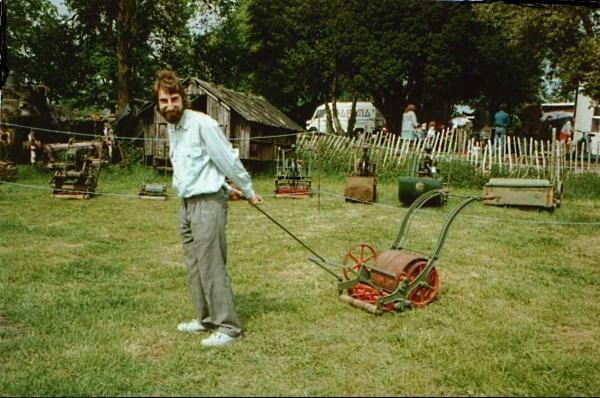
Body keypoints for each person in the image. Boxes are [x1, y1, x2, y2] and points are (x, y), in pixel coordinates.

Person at [153, 69, 263, 348]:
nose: (169, 106)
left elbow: (227, 161)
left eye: (174, 99)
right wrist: (228, 188)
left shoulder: (203, 124)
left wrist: (247, 191)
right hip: (187, 205)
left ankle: (228, 327)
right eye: (164, 101)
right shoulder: (172, 128)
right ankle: (204, 319)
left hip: (207, 205)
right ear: (158, 104)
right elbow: (196, 168)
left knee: (212, 265)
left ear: (183, 98)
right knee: (194, 265)